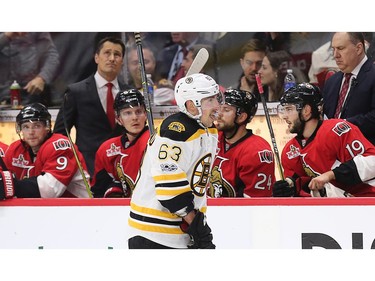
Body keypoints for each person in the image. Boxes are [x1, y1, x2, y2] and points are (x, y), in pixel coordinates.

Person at [128, 73, 220, 249]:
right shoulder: (175, 132)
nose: (217, 106)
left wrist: (196, 226)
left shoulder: (208, 129)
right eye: (209, 100)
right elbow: (170, 190)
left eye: (217, 98)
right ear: (191, 106)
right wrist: (196, 225)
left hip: (180, 232)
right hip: (153, 234)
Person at [273, 83, 375, 197]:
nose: (285, 116)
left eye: (289, 109)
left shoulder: (336, 130)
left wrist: (330, 175)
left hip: (368, 201)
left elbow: (372, 161)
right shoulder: (290, 151)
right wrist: (291, 188)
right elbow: (310, 186)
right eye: (283, 110)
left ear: (306, 110)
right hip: (336, 209)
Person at [53, 36, 130, 177]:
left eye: (117, 54)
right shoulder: (76, 92)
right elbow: (60, 134)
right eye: (107, 53)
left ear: (122, 61)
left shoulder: (128, 93)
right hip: (87, 169)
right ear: (96, 57)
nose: (112, 58)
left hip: (123, 168)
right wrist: (72, 162)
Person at [1, 103, 90, 199]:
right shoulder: (15, 149)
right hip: (40, 208)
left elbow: (49, 190)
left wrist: (10, 186)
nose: (31, 132)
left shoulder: (61, 146)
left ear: (47, 127)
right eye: (26, 127)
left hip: (77, 208)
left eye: (37, 126)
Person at [209, 89, 275, 197]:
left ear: (241, 117)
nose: (218, 114)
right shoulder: (211, 138)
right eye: (219, 108)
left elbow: (254, 205)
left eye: (226, 110)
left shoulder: (256, 151)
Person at [91, 89, 150, 198]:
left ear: (146, 114)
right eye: (127, 113)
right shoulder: (107, 149)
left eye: (139, 112)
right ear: (118, 119)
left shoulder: (155, 141)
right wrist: (113, 189)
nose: (134, 117)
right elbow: (99, 190)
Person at [322, 32, 375, 145]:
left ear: (358, 48)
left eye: (340, 48)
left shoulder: (373, 75)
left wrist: (342, 125)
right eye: (333, 49)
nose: (335, 55)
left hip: (366, 151)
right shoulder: (332, 81)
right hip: (331, 151)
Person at [0, 32, 60, 106]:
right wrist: (6, 36)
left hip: (31, 91)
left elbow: (51, 55)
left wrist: (41, 78)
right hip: (2, 92)